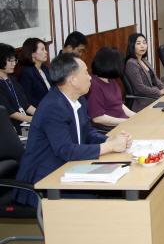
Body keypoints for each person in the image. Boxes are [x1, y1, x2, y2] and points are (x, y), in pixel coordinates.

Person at [14, 53, 131, 207]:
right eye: (86, 73)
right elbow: (66, 150)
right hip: (45, 179)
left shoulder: (79, 99)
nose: (90, 78)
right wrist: (109, 147)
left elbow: (87, 132)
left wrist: (110, 140)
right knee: (100, 198)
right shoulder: (53, 107)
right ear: (73, 80)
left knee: (117, 184)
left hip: (69, 168)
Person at [87, 47, 135, 127]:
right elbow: (97, 118)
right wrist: (127, 121)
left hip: (122, 123)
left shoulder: (111, 80)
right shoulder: (94, 85)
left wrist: (136, 117)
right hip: (111, 128)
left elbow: (119, 104)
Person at [123, 33, 164, 112]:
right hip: (144, 101)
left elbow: (155, 79)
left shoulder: (144, 60)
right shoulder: (131, 63)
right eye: (138, 43)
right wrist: (159, 92)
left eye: (144, 43)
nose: (142, 46)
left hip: (153, 96)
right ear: (132, 46)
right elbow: (140, 88)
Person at [0, 43, 36, 132]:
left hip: (24, 122)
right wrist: (33, 119)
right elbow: (10, 112)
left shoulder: (12, 79)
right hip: (11, 126)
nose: (14, 64)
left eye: (15, 60)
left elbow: (26, 105)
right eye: (10, 61)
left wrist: (41, 114)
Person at [17, 37, 52, 107]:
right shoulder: (26, 73)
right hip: (40, 108)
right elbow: (28, 100)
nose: (46, 52)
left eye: (45, 49)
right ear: (33, 54)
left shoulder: (44, 67)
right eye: (42, 49)